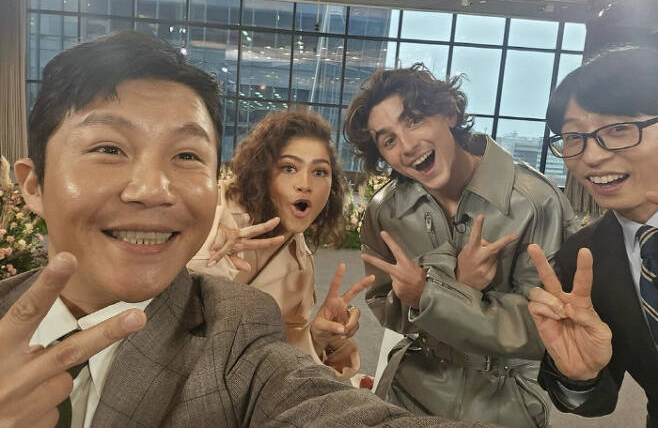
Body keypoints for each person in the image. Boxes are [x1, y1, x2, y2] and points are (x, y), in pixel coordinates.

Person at [0, 31, 497, 428]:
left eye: (186, 155)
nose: (153, 189)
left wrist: (319, 336)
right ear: (34, 184)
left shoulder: (239, 328)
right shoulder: (227, 239)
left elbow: (304, 394)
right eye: (109, 149)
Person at [343, 63, 578, 427]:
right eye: (388, 140)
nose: (407, 146)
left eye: (414, 120)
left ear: (449, 113)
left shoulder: (536, 201)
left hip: (505, 401)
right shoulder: (386, 210)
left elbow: (546, 330)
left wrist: (433, 292)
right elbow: (387, 308)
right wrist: (457, 281)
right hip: (408, 390)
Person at [526, 46, 658, 427]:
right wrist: (579, 376)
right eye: (573, 137)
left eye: (618, 129)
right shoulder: (582, 256)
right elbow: (598, 399)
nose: (591, 157)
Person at [187, 110, 373, 380]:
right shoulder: (213, 206)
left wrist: (316, 336)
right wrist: (207, 251)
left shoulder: (301, 264)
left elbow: (275, 353)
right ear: (263, 171)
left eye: (319, 172)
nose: (305, 185)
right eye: (289, 168)